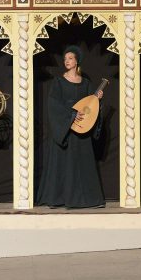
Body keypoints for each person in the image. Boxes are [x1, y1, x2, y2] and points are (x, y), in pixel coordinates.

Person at [36, 46, 105, 209]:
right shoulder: (58, 82)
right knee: (63, 165)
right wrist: (72, 116)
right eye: (65, 59)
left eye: (70, 58)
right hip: (65, 129)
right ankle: (59, 199)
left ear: (77, 61)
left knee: (82, 165)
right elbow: (54, 106)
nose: (66, 61)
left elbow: (90, 106)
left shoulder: (86, 83)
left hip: (82, 130)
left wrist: (98, 99)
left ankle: (86, 200)